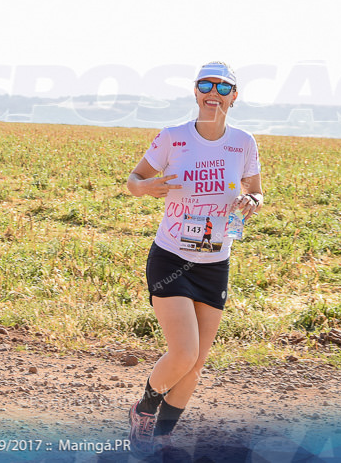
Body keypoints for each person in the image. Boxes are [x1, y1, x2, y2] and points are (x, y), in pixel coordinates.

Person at [125, 61, 263, 455]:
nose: (214, 93)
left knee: (196, 363)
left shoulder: (244, 143)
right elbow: (133, 181)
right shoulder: (173, 138)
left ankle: (164, 437)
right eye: (207, 84)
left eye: (224, 88)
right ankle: (144, 409)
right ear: (196, 91)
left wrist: (252, 200)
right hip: (171, 259)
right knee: (183, 352)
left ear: (234, 97)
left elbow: (257, 191)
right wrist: (146, 187)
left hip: (216, 261)